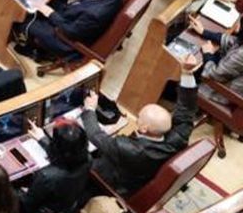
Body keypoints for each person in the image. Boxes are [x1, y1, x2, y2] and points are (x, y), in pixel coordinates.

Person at [82, 54, 199, 196]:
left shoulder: (128, 148)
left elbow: (95, 135)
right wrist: (187, 73)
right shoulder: (179, 136)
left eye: (139, 118)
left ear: (144, 128)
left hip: (117, 185)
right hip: (143, 174)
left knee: (81, 161)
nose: (137, 119)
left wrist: (89, 109)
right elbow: (187, 108)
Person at [16, 0, 121, 61]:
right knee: (49, 1)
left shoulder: (94, 14)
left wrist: (50, 14)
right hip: (73, 14)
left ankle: (31, 50)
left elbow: (70, 31)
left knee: (27, 23)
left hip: (68, 40)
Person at [18, 119, 90, 213]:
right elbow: (66, 155)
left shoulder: (47, 176)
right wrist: (42, 138)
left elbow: (28, 204)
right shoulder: (87, 158)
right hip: (67, 209)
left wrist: (21, 192)